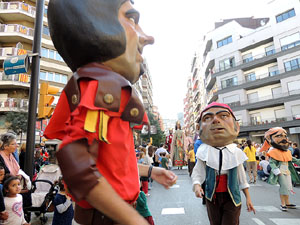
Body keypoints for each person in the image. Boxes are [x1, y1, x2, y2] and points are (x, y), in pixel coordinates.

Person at [43, 1, 177, 224]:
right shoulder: (102, 86)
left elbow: (108, 164)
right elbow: (77, 163)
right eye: (131, 19)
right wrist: (133, 220)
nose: (147, 37)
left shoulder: (95, 85)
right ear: (97, 24)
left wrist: (150, 171)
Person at [192, 102, 255, 225]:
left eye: (223, 116)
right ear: (198, 129)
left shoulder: (236, 152)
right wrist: (197, 185)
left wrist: (248, 198)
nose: (215, 120)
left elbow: (242, 178)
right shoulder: (204, 151)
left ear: (236, 126)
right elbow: (198, 172)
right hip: (212, 197)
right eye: (208, 118)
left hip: (232, 197)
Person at [261, 127, 300, 211]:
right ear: (269, 139)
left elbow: (295, 160)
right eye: (279, 136)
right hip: (280, 172)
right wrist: (277, 171)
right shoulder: (273, 151)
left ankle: (288, 203)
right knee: (284, 187)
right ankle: (283, 204)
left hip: (288, 172)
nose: (283, 138)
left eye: (285, 136)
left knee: (288, 187)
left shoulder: (287, 152)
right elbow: (272, 163)